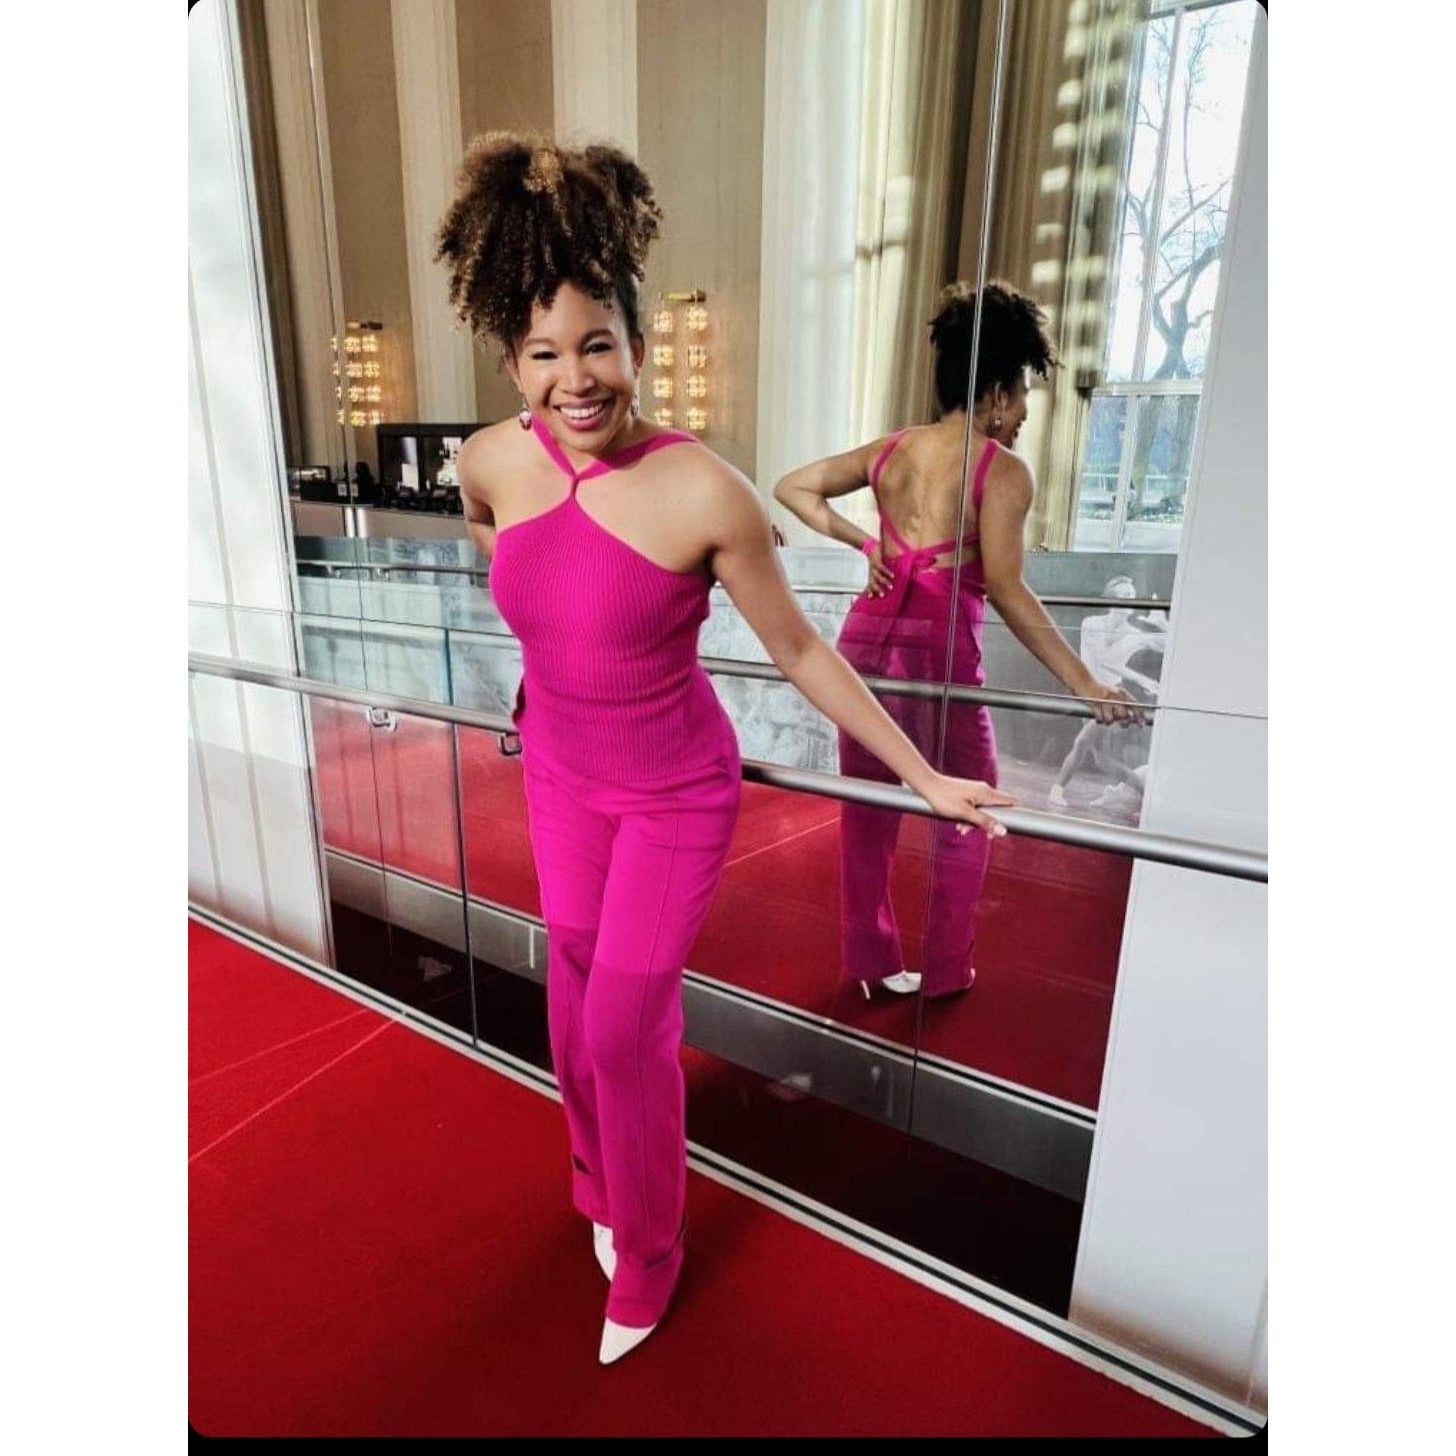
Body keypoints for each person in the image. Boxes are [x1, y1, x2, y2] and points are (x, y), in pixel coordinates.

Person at [434, 134, 1014, 1367]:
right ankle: (599, 1182)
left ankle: (649, 1250)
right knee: (570, 997)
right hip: (560, 776)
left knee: (624, 1022)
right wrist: (547, 652)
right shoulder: (490, 460)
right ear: (511, 361)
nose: (575, 378)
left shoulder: (706, 490)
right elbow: (488, 530)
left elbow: (800, 650)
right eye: (545, 353)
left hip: (672, 795)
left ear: (639, 345)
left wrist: (921, 775)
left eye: (598, 344)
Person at [773, 280, 1139, 1002]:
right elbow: (1008, 589)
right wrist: (1085, 683)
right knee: (975, 806)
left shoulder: (892, 450)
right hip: (938, 653)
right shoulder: (1002, 470)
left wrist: (865, 543)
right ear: (998, 394)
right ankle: (945, 971)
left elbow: (792, 487)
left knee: (868, 807)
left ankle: (870, 963)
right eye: (1025, 393)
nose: (1026, 411)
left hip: (866, 642)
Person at [1049, 578, 1165, 812]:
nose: (1130, 600)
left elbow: (1169, 643)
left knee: (1082, 742)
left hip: (1110, 698)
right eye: (1124, 595)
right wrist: (1142, 680)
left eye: (1132, 595)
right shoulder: (1092, 624)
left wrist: (1162, 624)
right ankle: (1142, 794)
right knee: (1099, 758)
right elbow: (1102, 659)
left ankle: (1057, 789)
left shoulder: (1134, 634)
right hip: (1087, 692)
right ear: (1111, 599)